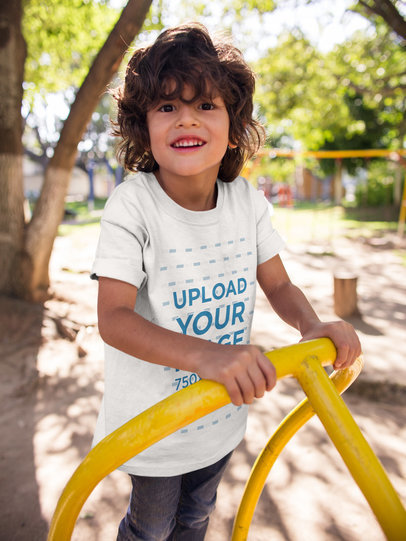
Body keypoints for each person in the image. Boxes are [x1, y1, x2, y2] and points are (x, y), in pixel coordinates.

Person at [91, 22, 361, 541]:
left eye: (205, 105)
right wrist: (208, 356)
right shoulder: (134, 204)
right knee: (151, 528)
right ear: (143, 125)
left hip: (220, 416)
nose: (185, 118)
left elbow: (279, 287)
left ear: (234, 127)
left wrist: (311, 323)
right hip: (157, 424)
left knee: (196, 519)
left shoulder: (247, 203)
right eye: (166, 107)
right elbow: (113, 319)